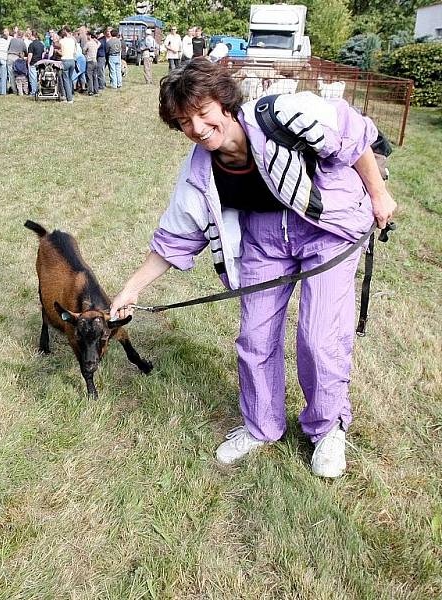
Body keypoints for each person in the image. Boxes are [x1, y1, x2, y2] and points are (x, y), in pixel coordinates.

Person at [109, 60, 397, 478]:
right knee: (254, 337)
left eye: (202, 112)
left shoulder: (281, 114)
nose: (197, 127)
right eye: (184, 121)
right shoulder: (199, 173)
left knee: (319, 337)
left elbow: (352, 135)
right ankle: (262, 426)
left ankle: (327, 428)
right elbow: (175, 237)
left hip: (327, 226)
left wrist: (378, 193)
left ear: (223, 103)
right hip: (264, 238)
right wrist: (131, 290)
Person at [59, 27, 76, 103]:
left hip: (65, 60)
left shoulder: (61, 41)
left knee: (65, 79)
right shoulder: (72, 40)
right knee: (70, 78)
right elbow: (74, 51)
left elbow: (61, 52)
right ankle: (71, 95)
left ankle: (69, 98)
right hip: (72, 60)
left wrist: (57, 51)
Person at [27, 30, 45, 97]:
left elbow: (30, 55)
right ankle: (40, 90)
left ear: (32, 36)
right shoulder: (41, 44)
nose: (29, 36)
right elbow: (43, 53)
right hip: (40, 63)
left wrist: (28, 63)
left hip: (33, 63)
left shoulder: (31, 45)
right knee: (39, 78)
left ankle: (33, 92)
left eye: (29, 35)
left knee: (33, 78)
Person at [85, 31, 100, 96]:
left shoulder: (88, 43)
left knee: (89, 77)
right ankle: (96, 91)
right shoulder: (95, 43)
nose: (87, 37)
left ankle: (90, 91)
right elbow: (99, 43)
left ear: (89, 36)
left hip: (90, 61)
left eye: (87, 36)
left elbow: (84, 50)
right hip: (95, 61)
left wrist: (86, 52)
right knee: (95, 77)